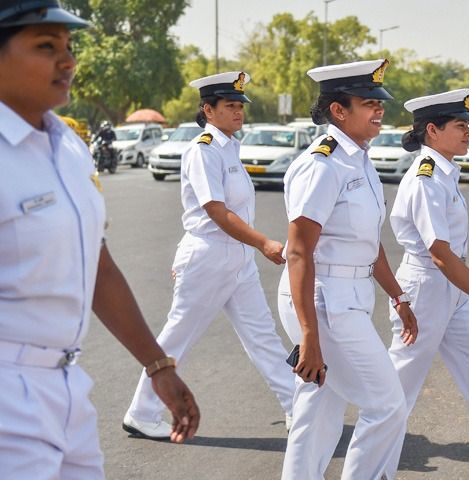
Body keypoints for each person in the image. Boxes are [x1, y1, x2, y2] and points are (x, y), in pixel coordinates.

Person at [0, 1, 199, 478]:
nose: (67, 61)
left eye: (68, 47)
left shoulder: (67, 146)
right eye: (46, 47)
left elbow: (96, 266)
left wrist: (158, 366)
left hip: (66, 386)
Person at [124, 71, 295, 438]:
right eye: (230, 106)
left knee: (262, 336)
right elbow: (216, 211)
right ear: (208, 109)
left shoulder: (229, 147)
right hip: (210, 256)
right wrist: (263, 242)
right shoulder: (203, 150)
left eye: (240, 106)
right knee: (177, 337)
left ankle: (298, 407)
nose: (238, 112)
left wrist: (251, 247)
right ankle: (142, 411)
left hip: (236, 259)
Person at [277, 58, 418, 480]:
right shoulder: (322, 164)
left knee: (319, 408)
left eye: (380, 102)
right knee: (387, 404)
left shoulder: (359, 160)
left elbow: (369, 243)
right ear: (338, 111)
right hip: (323, 302)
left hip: (347, 298)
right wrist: (309, 337)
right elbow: (300, 252)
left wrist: (399, 295)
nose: (379, 110)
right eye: (368, 102)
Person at [389, 88, 469, 479]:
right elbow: (440, 254)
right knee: (395, 397)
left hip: (450, 289)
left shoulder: (443, 171)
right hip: (426, 287)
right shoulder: (426, 178)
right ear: (433, 129)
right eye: (461, 126)